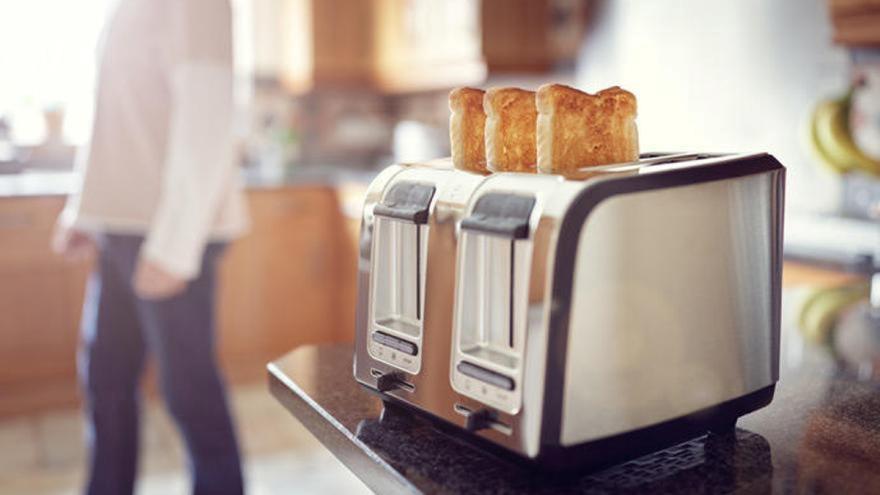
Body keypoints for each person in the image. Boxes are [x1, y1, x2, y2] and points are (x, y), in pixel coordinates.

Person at [52, 0, 248, 493]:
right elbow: (115, 113)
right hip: (120, 227)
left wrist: (175, 247)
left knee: (189, 393)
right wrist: (86, 209)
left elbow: (206, 119)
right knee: (106, 380)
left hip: (167, 234)